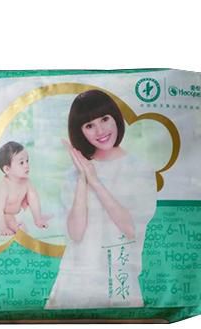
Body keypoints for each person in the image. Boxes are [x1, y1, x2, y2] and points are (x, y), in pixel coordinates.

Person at [45, 90, 157, 308]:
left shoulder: (139, 169)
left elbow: (131, 229)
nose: (100, 131)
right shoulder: (74, 174)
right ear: (80, 132)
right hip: (74, 283)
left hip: (119, 282)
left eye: (104, 119)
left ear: (115, 117)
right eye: (89, 125)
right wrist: (83, 177)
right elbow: (76, 234)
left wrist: (95, 181)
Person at [0, 141, 51, 236]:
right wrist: (3, 228)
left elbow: (33, 200)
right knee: (17, 226)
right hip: (4, 215)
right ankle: (6, 224)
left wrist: (38, 219)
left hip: (18, 212)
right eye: (21, 163)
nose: (26, 165)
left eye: (27, 161)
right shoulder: (4, 187)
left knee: (31, 197)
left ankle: (37, 219)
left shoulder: (26, 181)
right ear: (7, 169)